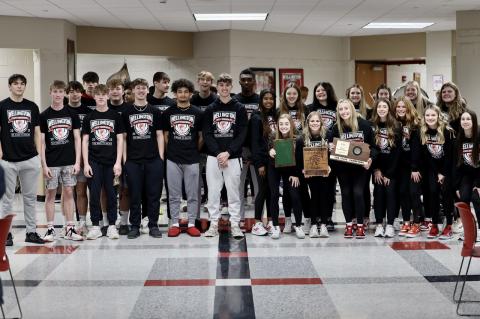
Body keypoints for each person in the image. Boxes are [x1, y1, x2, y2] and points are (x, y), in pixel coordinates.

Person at [0, 74, 45, 245]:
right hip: (8, 160)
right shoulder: (2, 106)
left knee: (30, 198)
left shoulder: (32, 106)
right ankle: (6, 234)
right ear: (10, 86)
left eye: (22, 84)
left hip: (29, 159)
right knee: (6, 199)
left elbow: (36, 132)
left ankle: (31, 232)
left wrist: (38, 156)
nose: (19, 86)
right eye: (15, 84)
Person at [203, 73, 248, 238]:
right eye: (221, 85)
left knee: (233, 192)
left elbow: (242, 133)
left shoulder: (239, 108)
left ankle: (235, 224)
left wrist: (228, 152)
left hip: (233, 157)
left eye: (227, 85)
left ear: (231, 87)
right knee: (213, 193)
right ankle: (213, 224)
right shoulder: (210, 109)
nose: (224, 88)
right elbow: (207, 134)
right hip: (213, 157)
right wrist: (218, 153)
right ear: (218, 86)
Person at [40, 80, 83, 242]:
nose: (58, 95)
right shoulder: (44, 115)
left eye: (60, 91)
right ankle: (50, 229)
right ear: (50, 93)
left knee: (69, 192)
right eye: (55, 91)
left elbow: (77, 139)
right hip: (51, 162)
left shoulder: (72, 114)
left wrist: (78, 161)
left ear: (64, 94)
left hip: (69, 161)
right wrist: (43, 165)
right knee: (51, 194)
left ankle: (70, 228)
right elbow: (42, 142)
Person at [122, 78, 164, 239]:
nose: (140, 90)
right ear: (133, 91)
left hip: (153, 159)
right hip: (133, 160)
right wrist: (126, 160)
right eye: (137, 88)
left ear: (148, 90)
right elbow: (124, 138)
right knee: (135, 194)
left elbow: (159, 135)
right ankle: (135, 226)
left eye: (143, 88)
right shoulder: (126, 112)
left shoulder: (154, 111)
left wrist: (160, 157)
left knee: (154, 194)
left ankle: (153, 224)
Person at [329, 99, 375, 239]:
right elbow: (331, 145)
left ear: (352, 109)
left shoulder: (364, 125)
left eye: (346, 108)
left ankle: (360, 225)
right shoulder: (336, 127)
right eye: (341, 109)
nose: (344, 112)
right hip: (343, 168)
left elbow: (373, 147)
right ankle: (349, 224)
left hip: (360, 168)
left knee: (358, 193)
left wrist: (370, 159)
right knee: (346, 193)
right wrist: (331, 147)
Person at [82, 84, 124, 240]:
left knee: (112, 194)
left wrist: (118, 162)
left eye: (103, 94)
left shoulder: (115, 116)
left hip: (111, 161)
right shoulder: (89, 117)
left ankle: (112, 225)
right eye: (97, 94)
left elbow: (120, 140)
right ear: (94, 96)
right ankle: (95, 226)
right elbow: (85, 141)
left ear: (107, 96)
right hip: (94, 161)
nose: (100, 97)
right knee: (94, 194)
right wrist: (85, 163)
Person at [162, 79, 203, 237]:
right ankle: (174, 223)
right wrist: (171, 150)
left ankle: (192, 223)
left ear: (191, 93)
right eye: (180, 91)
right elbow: (166, 136)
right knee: (173, 194)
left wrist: (193, 150)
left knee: (193, 194)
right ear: (175, 93)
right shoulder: (168, 113)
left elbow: (201, 137)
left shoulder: (198, 113)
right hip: (173, 158)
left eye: (186, 91)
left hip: (192, 158)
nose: (183, 94)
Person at [418, 105, 455, 240]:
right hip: (433, 169)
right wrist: (437, 172)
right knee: (432, 192)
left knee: (446, 193)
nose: (430, 118)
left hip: (448, 168)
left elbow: (450, 156)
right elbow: (427, 156)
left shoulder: (447, 131)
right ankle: (434, 224)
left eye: (433, 115)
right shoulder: (423, 132)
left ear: (438, 116)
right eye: (427, 115)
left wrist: (443, 173)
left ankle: (449, 225)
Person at [278, 84, 311, 233]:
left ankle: (306, 219)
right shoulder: (279, 111)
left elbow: (310, 128)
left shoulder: (305, 109)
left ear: (299, 95)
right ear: (284, 95)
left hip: (303, 152)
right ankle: (288, 220)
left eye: (294, 93)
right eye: (288, 93)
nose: (291, 96)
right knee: (287, 190)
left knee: (303, 190)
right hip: (285, 153)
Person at [306, 82, 338, 230]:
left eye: (323, 90)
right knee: (315, 189)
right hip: (314, 153)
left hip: (332, 151)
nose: (320, 93)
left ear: (329, 91)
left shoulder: (336, 106)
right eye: (317, 90)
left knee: (329, 188)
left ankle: (328, 218)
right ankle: (317, 217)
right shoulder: (310, 108)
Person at [296, 111, 331, 238]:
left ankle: (323, 225)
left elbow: (331, 156)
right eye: (312, 121)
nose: (315, 123)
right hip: (308, 175)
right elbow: (298, 159)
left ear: (321, 122)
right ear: (307, 123)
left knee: (324, 197)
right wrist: (302, 171)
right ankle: (313, 225)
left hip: (324, 174)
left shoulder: (327, 136)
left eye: (317, 121)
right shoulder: (302, 139)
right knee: (313, 198)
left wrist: (329, 166)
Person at [268, 114, 304, 239]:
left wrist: (296, 174)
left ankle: (298, 225)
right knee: (274, 195)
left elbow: (300, 160)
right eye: (281, 124)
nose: (283, 126)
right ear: (277, 125)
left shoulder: (298, 139)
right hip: (275, 168)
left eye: (286, 124)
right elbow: (267, 150)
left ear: (291, 125)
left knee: (294, 195)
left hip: (291, 170)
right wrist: (270, 152)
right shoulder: (273, 136)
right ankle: (276, 227)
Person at [394, 97, 425, 238]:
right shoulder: (394, 124)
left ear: (408, 108)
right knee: (403, 193)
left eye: (403, 107)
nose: (400, 109)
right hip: (401, 167)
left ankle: (417, 223)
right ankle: (406, 222)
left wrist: (415, 168)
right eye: (398, 107)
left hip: (415, 166)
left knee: (414, 193)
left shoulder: (415, 125)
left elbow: (417, 148)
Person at [370, 99, 401, 238]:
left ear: (389, 109)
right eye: (379, 106)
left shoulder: (396, 125)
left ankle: (390, 225)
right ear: (375, 108)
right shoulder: (371, 125)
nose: (382, 109)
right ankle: (378, 224)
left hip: (392, 169)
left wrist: (389, 173)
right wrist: (376, 169)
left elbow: (397, 152)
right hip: (377, 168)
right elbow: (371, 149)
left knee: (391, 193)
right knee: (378, 193)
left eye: (384, 106)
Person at [234, 68, 260, 224]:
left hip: (257, 148)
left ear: (254, 82)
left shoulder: (260, 99)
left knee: (258, 187)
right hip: (239, 149)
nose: (246, 82)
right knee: (238, 186)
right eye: (243, 79)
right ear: (239, 81)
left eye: (249, 79)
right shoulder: (235, 100)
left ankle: (258, 219)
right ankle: (239, 219)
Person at [66, 81, 92, 235]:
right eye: (71, 91)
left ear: (82, 93)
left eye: (77, 91)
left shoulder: (88, 111)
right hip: (69, 156)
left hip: (89, 156)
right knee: (73, 192)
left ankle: (92, 221)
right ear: (67, 93)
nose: (74, 94)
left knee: (94, 191)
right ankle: (73, 222)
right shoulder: (63, 110)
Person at [250, 89, 276, 236]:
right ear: (261, 100)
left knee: (272, 192)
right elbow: (255, 143)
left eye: (271, 99)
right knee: (262, 191)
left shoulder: (275, 115)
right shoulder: (256, 117)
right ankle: (257, 223)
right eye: (265, 98)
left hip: (274, 161)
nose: (268, 101)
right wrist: (259, 163)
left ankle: (271, 222)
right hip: (262, 161)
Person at [107, 79, 130, 235]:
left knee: (125, 188)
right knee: (106, 190)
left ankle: (123, 222)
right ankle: (106, 222)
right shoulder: (103, 108)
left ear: (123, 91)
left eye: (118, 88)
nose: (115, 91)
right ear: (108, 91)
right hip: (105, 154)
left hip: (127, 154)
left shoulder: (129, 109)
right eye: (112, 89)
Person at [191, 71, 217, 208]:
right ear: (198, 82)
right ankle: (195, 202)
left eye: (208, 80)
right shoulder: (193, 100)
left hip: (212, 144)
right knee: (196, 176)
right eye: (202, 79)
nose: (205, 82)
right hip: (197, 143)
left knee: (212, 177)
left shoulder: (215, 99)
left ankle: (211, 201)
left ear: (211, 83)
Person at [453, 109, 480, 232]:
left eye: (468, 119)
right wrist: (458, 186)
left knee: (476, 197)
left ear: (474, 121)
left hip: (479, 175)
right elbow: (458, 165)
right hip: (467, 175)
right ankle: (469, 229)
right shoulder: (458, 139)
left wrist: (478, 185)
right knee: (463, 198)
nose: (465, 121)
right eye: (463, 119)